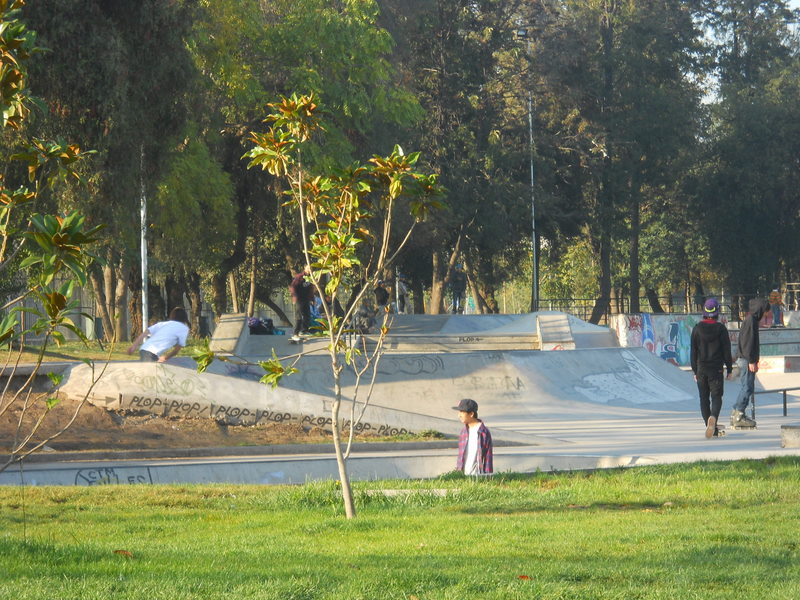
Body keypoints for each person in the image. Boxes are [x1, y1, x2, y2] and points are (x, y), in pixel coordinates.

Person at [690, 298, 733, 438]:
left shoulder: (696, 329)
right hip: (716, 369)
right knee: (716, 397)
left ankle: (710, 427)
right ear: (717, 312)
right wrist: (730, 369)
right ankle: (713, 417)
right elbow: (727, 351)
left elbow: (693, 351)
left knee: (703, 398)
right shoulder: (721, 329)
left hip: (701, 369)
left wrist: (695, 370)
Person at [731, 297, 770, 428]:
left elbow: (743, 341)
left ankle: (736, 413)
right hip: (747, 359)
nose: (766, 315)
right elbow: (748, 343)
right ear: (760, 310)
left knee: (746, 387)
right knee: (748, 388)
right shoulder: (751, 321)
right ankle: (739, 415)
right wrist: (752, 361)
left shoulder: (750, 320)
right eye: (766, 312)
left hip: (744, 358)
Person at [453, 398, 493, 475]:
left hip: (477, 477)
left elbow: (488, 458)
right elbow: (460, 456)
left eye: (462, 412)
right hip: (462, 477)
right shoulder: (463, 432)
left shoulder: (484, 432)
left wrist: (488, 477)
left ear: (471, 414)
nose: (459, 415)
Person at [289, 265, 314, 341]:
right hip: (299, 299)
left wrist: (312, 299)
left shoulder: (310, 278)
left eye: (311, 269)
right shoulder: (300, 277)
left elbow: (311, 289)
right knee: (299, 316)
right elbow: (293, 286)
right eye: (308, 268)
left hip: (306, 299)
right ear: (305, 268)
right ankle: (295, 333)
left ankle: (304, 331)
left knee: (307, 315)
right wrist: (295, 297)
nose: (310, 270)